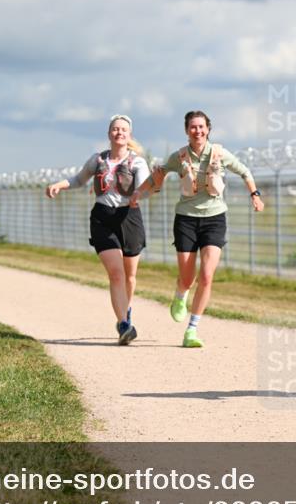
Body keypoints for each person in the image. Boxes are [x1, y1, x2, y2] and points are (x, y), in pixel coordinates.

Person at [131, 110, 264, 348]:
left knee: (206, 276)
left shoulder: (219, 154)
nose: (198, 131)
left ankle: (192, 330)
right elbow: (155, 178)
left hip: (215, 219)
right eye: (193, 127)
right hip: (186, 220)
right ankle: (180, 295)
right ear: (186, 130)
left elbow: (245, 171)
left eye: (201, 127)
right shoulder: (179, 157)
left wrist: (255, 195)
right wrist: (138, 194)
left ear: (208, 129)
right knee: (187, 277)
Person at [45, 114, 150, 345]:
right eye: (115, 129)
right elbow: (78, 180)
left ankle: (126, 311)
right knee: (116, 274)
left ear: (129, 135)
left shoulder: (138, 162)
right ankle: (123, 324)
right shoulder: (98, 160)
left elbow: (146, 187)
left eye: (123, 129)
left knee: (130, 276)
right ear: (109, 134)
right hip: (103, 218)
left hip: (129, 217)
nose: (119, 133)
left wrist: (137, 195)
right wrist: (59, 185)